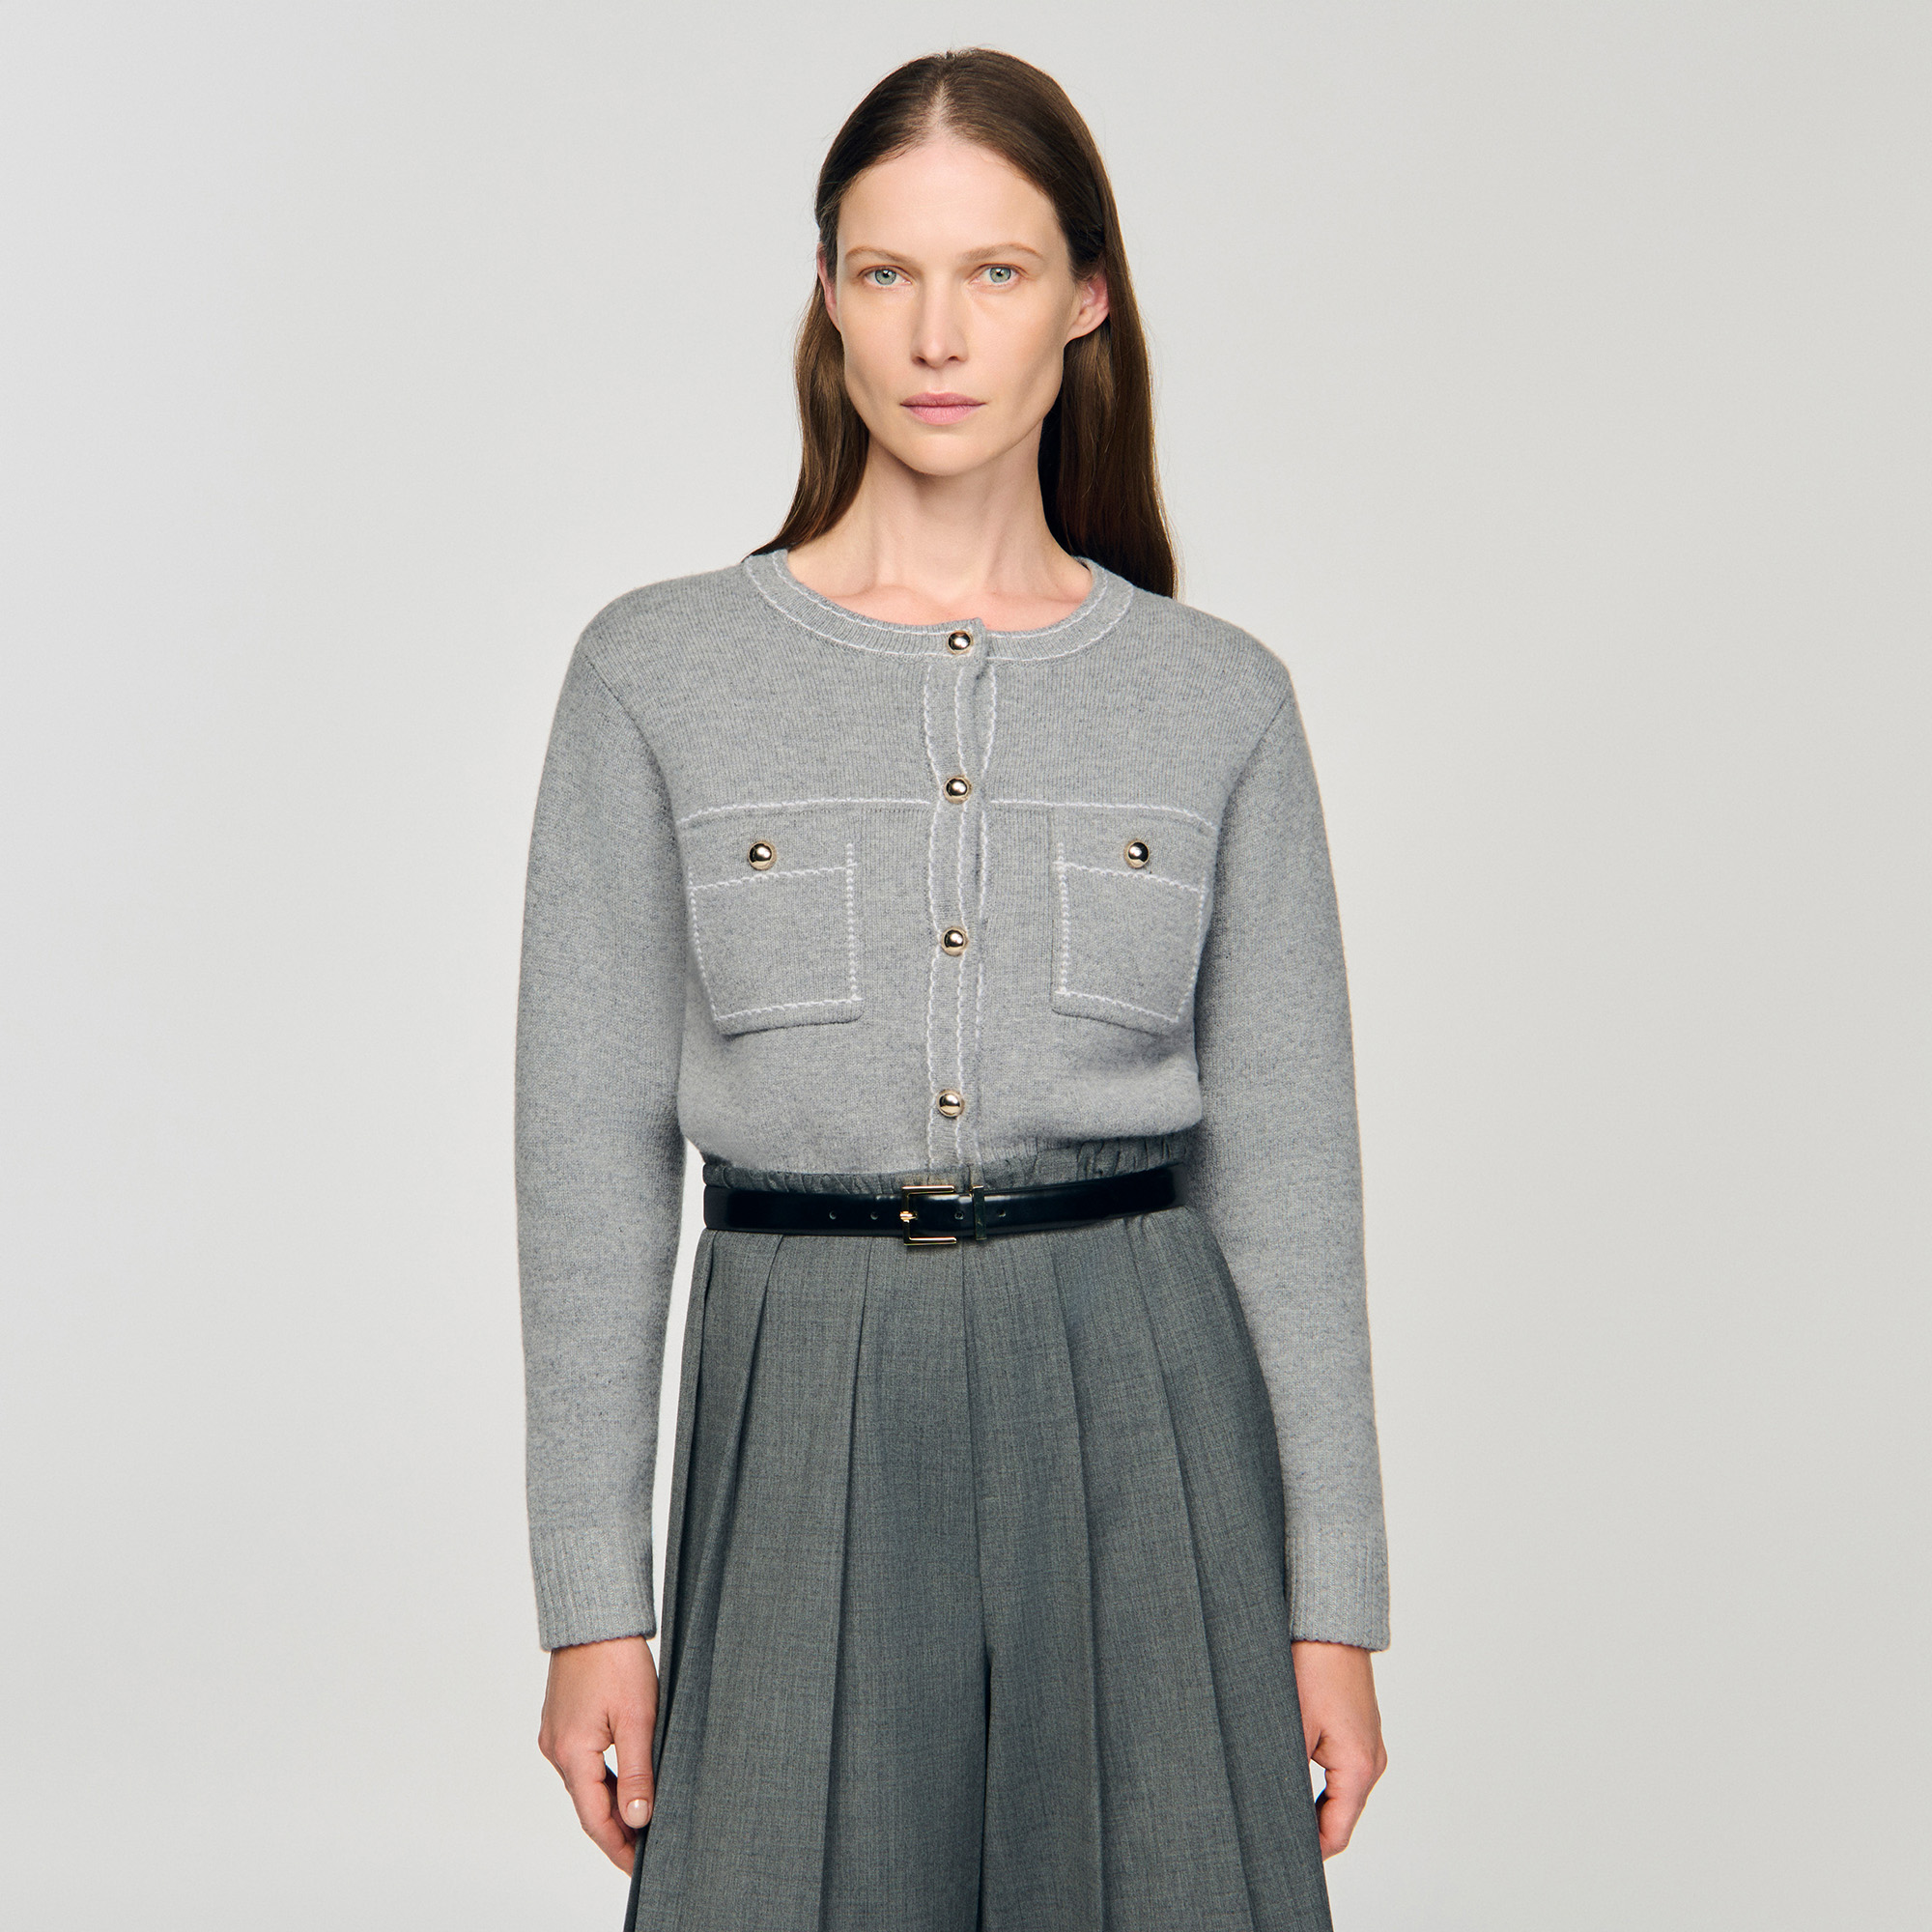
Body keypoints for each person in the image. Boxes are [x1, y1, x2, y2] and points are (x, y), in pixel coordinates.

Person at [515, 45, 1390, 1932]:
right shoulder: (656, 672)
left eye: (994, 270)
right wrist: (593, 1603)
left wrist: (1330, 1607)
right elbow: (586, 1165)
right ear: (828, 299)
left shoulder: (1217, 698)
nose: (936, 332)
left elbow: (1291, 1179)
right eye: (884, 271)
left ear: (1085, 298)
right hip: (801, 1377)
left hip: (1140, 1384)